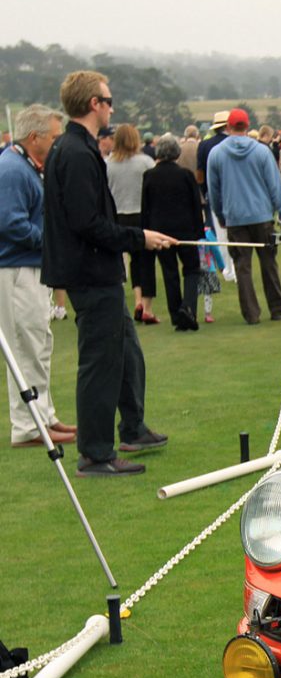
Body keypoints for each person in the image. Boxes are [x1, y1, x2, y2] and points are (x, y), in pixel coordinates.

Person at [43, 70, 176, 477]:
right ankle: (95, 454)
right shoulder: (75, 152)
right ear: (93, 104)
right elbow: (86, 222)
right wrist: (140, 238)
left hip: (98, 271)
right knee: (100, 363)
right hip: (90, 273)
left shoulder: (80, 148)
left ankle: (133, 428)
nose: (112, 109)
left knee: (126, 352)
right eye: (108, 101)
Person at [1, 104, 76, 449]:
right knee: (25, 346)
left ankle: (44, 415)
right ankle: (28, 426)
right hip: (16, 270)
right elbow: (10, 222)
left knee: (40, 343)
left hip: (29, 268)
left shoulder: (25, 167)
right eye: (54, 137)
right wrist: (49, 241)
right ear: (35, 137)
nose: (57, 143)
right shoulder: (12, 170)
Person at [206, 107, 281, 324]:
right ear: (248, 125)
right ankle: (277, 308)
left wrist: (220, 215)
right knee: (269, 263)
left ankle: (251, 314)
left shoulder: (216, 154)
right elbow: (275, 185)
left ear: (228, 126)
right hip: (262, 216)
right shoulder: (262, 151)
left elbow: (213, 190)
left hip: (235, 218)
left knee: (242, 267)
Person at [139, 135, 204, 330]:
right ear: (177, 153)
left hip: (160, 231)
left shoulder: (149, 175)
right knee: (192, 269)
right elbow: (195, 204)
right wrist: (199, 231)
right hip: (186, 230)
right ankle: (188, 308)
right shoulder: (186, 175)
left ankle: (176, 314)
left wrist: (145, 231)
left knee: (170, 272)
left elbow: (145, 207)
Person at [106, 123, 158, 322]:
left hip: (118, 216)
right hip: (141, 214)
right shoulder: (146, 162)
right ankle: (146, 304)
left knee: (125, 260)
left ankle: (134, 298)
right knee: (145, 260)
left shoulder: (108, 164)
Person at [196, 110, 234, 281]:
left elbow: (200, 173)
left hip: (214, 193)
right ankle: (236, 267)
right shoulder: (234, 143)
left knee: (221, 233)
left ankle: (227, 269)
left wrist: (204, 189)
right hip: (233, 193)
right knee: (237, 233)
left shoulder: (204, 145)